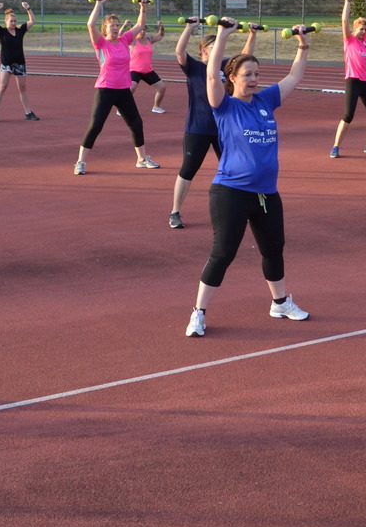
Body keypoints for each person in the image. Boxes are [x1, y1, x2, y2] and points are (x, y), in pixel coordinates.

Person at [185, 19, 312, 337]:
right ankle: (198, 313)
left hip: (267, 193)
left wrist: (302, 44)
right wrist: (225, 35)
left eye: (257, 74)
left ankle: (280, 302)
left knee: (274, 249)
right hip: (230, 191)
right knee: (223, 253)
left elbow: (295, 76)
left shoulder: (266, 101)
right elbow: (211, 74)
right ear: (233, 78)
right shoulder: (224, 105)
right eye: (248, 75)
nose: (254, 79)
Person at [169, 17, 258, 229]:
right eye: (210, 46)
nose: (215, 48)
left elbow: (245, 57)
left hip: (224, 129)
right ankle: (175, 211)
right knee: (188, 170)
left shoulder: (226, 67)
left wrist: (252, 34)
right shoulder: (195, 67)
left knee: (234, 168)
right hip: (198, 128)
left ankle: (240, 207)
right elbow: (179, 52)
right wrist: (189, 28)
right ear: (203, 53)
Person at [74, 0, 160, 174]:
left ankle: (142, 158)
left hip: (123, 90)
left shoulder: (124, 40)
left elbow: (140, 25)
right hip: (105, 89)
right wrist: (99, 4)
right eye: (111, 25)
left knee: (136, 123)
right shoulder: (101, 43)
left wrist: (143, 7)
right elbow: (90, 25)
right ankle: (81, 162)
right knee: (96, 125)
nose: (114, 28)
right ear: (105, 28)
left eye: (116, 25)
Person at [330, 0, 366, 157]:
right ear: (354, 29)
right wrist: (348, 0)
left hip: (365, 82)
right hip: (353, 81)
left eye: (365, 29)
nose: (363, 31)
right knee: (348, 116)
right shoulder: (349, 39)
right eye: (360, 29)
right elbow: (344, 19)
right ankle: (335, 147)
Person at [0, 1, 39, 122]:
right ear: (6, 21)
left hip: (19, 63)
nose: (13, 23)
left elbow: (33, 21)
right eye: (11, 21)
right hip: (6, 64)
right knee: (2, 86)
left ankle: (28, 113)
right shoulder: (2, 31)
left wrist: (28, 8)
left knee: (23, 88)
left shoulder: (20, 30)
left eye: (15, 21)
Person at [130, 20, 169, 114]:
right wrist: (125, 25)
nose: (142, 32)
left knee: (162, 88)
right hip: (134, 70)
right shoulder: (132, 41)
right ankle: (122, 108)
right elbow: (121, 36)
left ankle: (156, 106)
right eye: (140, 30)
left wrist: (161, 27)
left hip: (147, 70)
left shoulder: (148, 40)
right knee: (130, 89)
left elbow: (160, 35)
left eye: (144, 30)